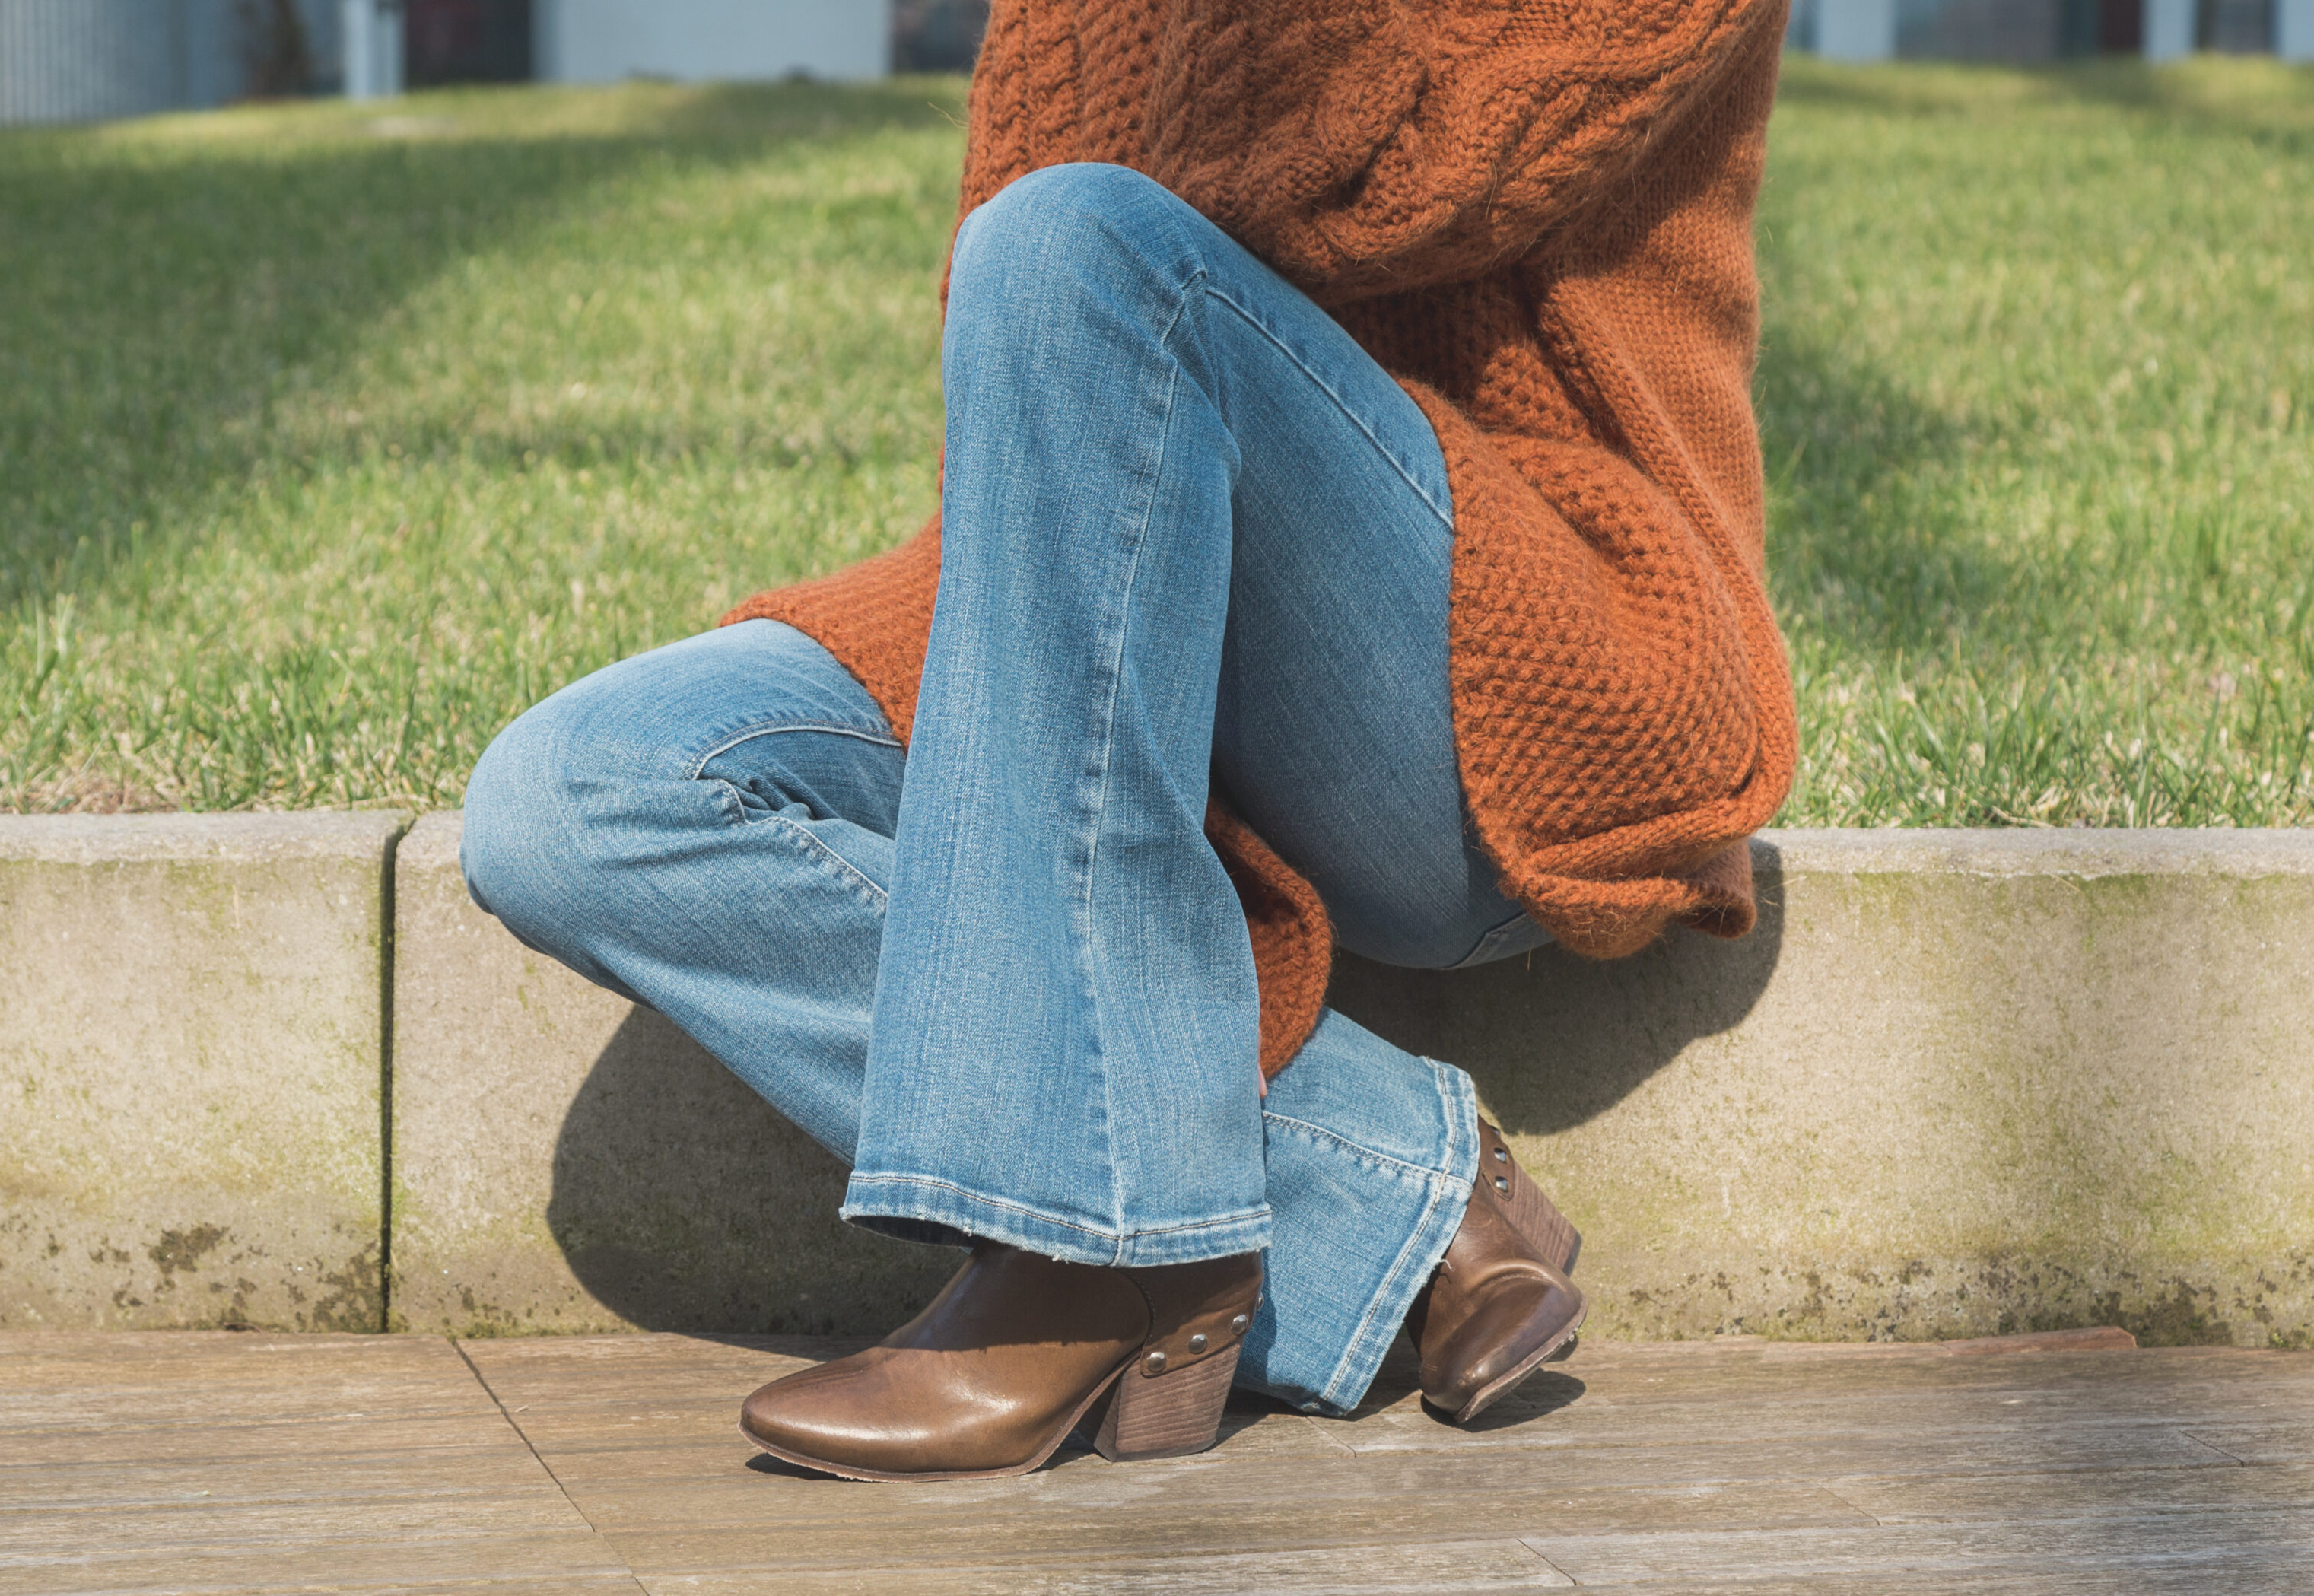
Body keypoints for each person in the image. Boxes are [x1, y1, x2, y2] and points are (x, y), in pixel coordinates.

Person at [459, 0, 1799, 1481]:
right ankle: (1395, 1185)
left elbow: (1367, 158)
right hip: (1164, 541)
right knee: (579, 793)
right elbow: (1036, 326)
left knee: (1073, 243)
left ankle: (1090, 1242)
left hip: (1514, 651)